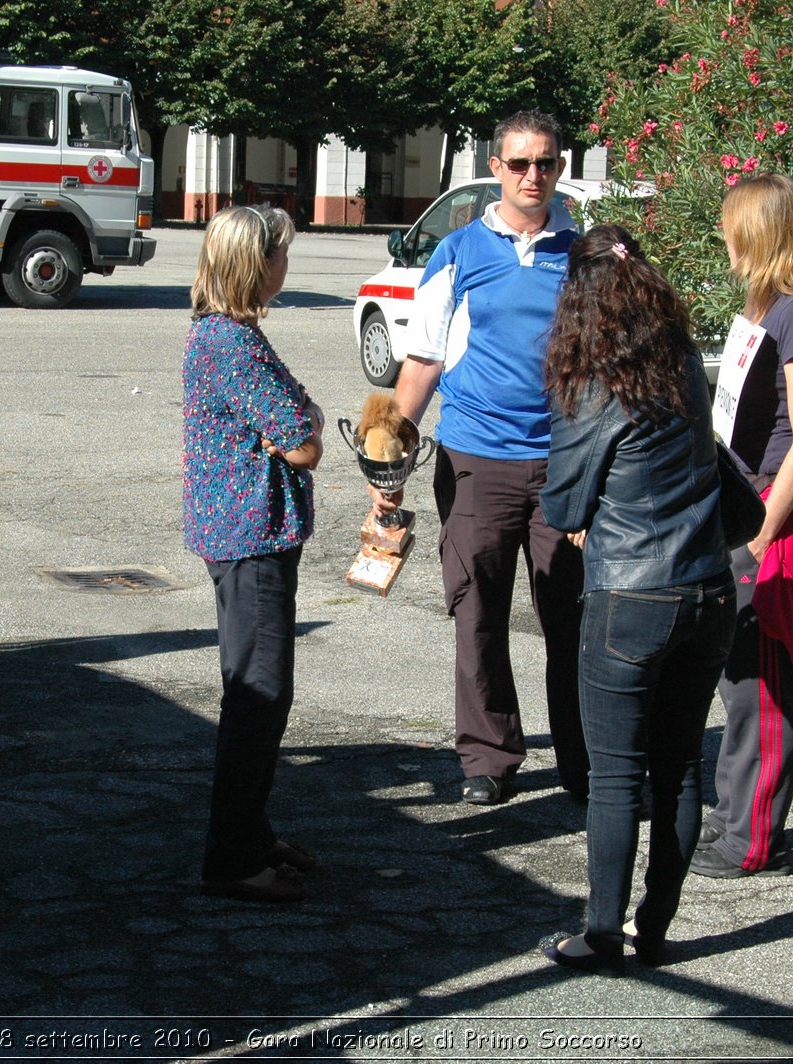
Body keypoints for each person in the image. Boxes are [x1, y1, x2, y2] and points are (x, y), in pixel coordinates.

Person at [371, 110, 588, 806]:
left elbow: (609, 368)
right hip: (476, 461)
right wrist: (388, 463)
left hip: (565, 467)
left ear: (561, 168)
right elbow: (423, 361)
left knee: (576, 620)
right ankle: (489, 759)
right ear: (496, 167)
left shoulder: (583, 256)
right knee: (478, 614)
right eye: (520, 163)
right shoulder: (459, 252)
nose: (534, 175)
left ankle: (587, 763)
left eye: (547, 163)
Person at [537, 225, 736, 974]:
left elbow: (561, 506)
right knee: (681, 764)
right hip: (709, 588)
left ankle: (599, 933)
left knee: (618, 774)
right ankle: (653, 928)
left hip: (631, 593)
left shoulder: (592, 386)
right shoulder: (684, 362)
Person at [693, 173, 793, 880]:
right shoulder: (767, 304)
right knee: (739, 678)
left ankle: (752, 840)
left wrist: (759, 533)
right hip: (750, 502)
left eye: (732, 225)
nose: (723, 237)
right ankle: (734, 817)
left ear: (757, 231)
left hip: (775, 512)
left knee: (762, 679)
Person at [183, 205, 323, 903]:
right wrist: (291, 433)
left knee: (264, 691)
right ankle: (231, 858)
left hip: (250, 534)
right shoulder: (230, 345)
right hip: (249, 539)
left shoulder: (232, 335)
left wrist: (292, 428)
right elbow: (305, 439)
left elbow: (300, 421)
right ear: (256, 265)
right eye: (281, 255)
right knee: (258, 694)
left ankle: (251, 830)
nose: (286, 265)